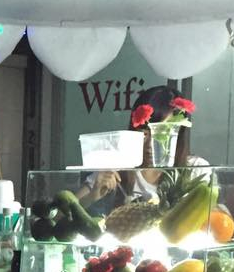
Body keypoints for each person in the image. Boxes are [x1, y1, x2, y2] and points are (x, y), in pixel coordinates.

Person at [77, 86, 208, 213]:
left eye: (161, 133)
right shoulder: (116, 166)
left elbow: (211, 217)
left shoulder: (195, 169)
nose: (150, 144)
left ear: (178, 132)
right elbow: (66, 211)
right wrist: (93, 195)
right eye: (144, 133)